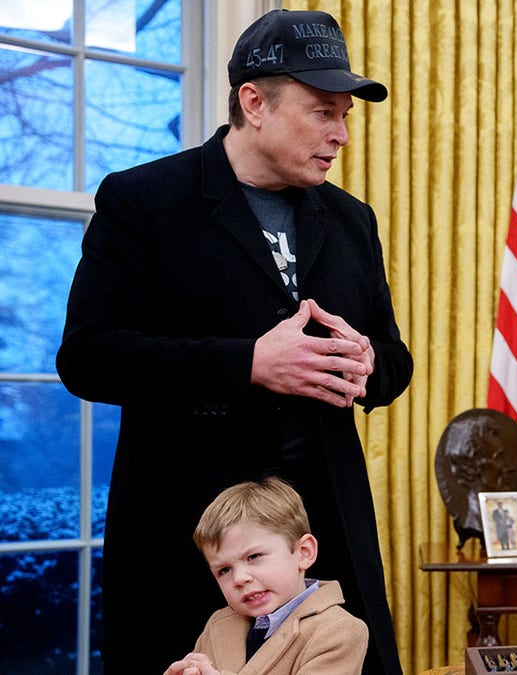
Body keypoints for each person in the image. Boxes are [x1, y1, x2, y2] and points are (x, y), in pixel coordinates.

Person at [56, 9, 412, 674]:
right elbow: (88, 355)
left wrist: (367, 362)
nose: (340, 135)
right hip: (188, 542)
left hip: (326, 538)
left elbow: (393, 362)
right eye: (322, 111)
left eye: (345, 116)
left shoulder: (351, 219)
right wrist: (248, 363)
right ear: (254, 102)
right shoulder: (144, 201)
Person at [164, 477, 367, 675]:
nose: (239, 578)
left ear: (304, 552)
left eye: (254, 557)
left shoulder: (339, 631)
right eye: (224, 570)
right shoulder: (218, 623)